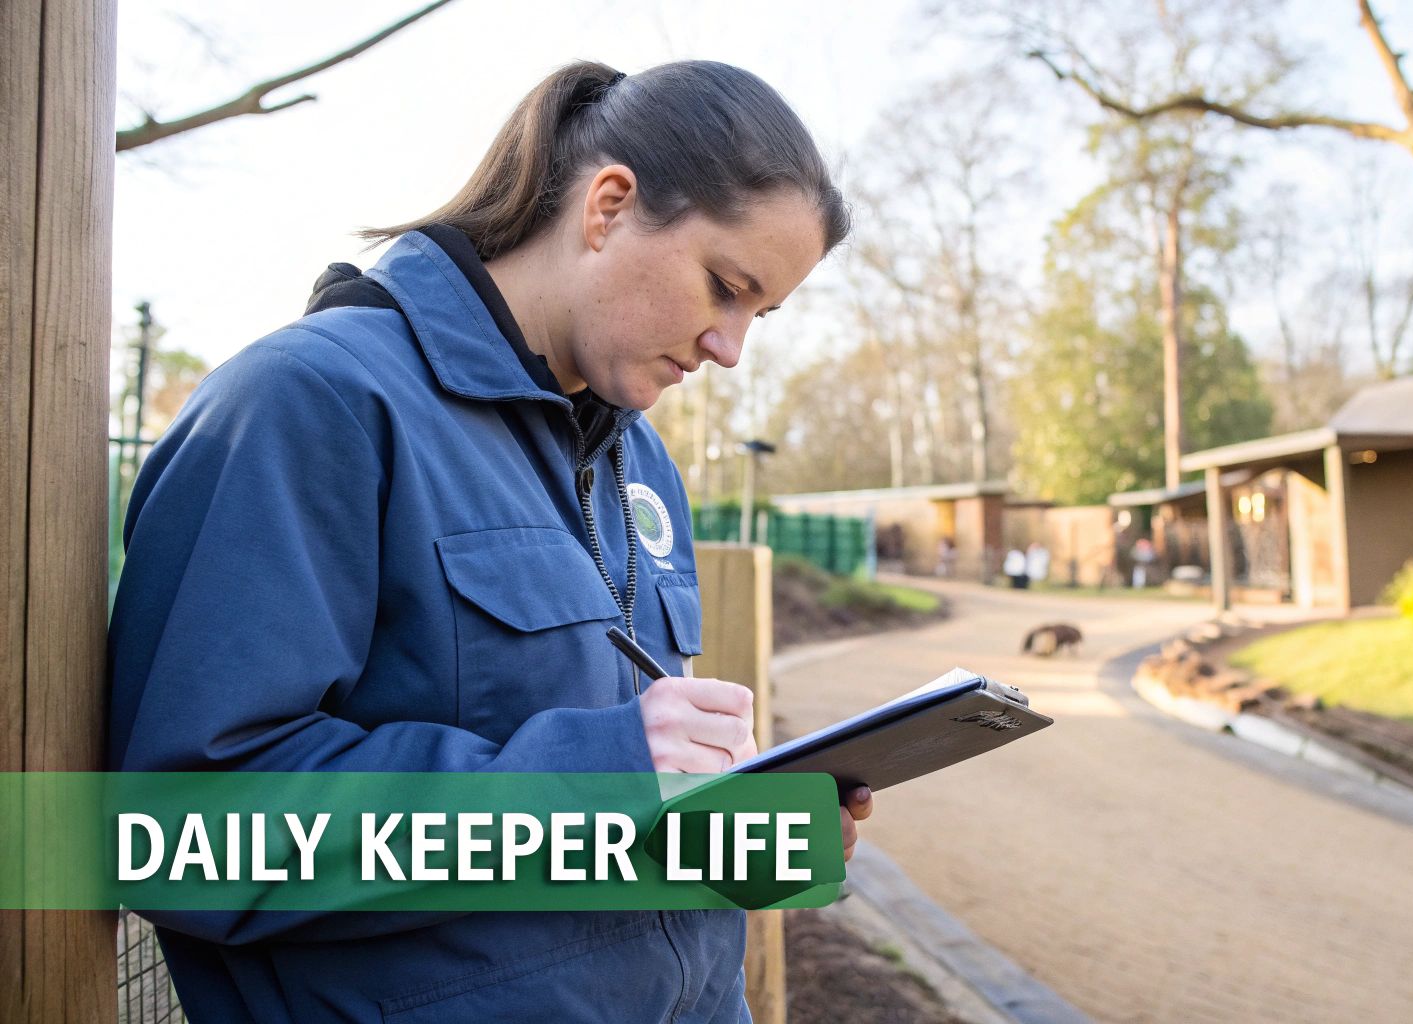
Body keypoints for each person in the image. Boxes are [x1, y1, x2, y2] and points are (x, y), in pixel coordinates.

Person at [107, 60, 872, 1023]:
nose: (729, 347)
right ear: (609, 206)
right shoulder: (310, 406)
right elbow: (186, 836)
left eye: (757, 315)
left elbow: (615, 815)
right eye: (725, 287)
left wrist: (728, 840)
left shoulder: (642, 461)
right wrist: (599, 774)